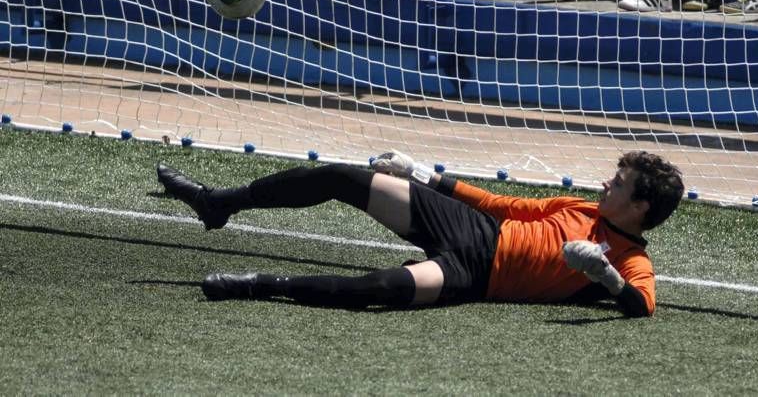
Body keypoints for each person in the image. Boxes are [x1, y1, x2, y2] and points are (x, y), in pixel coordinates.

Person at [156, 150, 683, 317]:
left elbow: (642, 304)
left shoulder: (633, 258)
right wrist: (424, 175)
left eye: (618, 183)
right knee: (344, 178)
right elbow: (504, 205)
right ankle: (218, 202)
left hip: (475, 274)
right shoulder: (578, 205)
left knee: (382, 288)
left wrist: (607, 276)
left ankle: (262, 284)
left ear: (639, 206)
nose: (605, 184)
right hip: (471, 227)